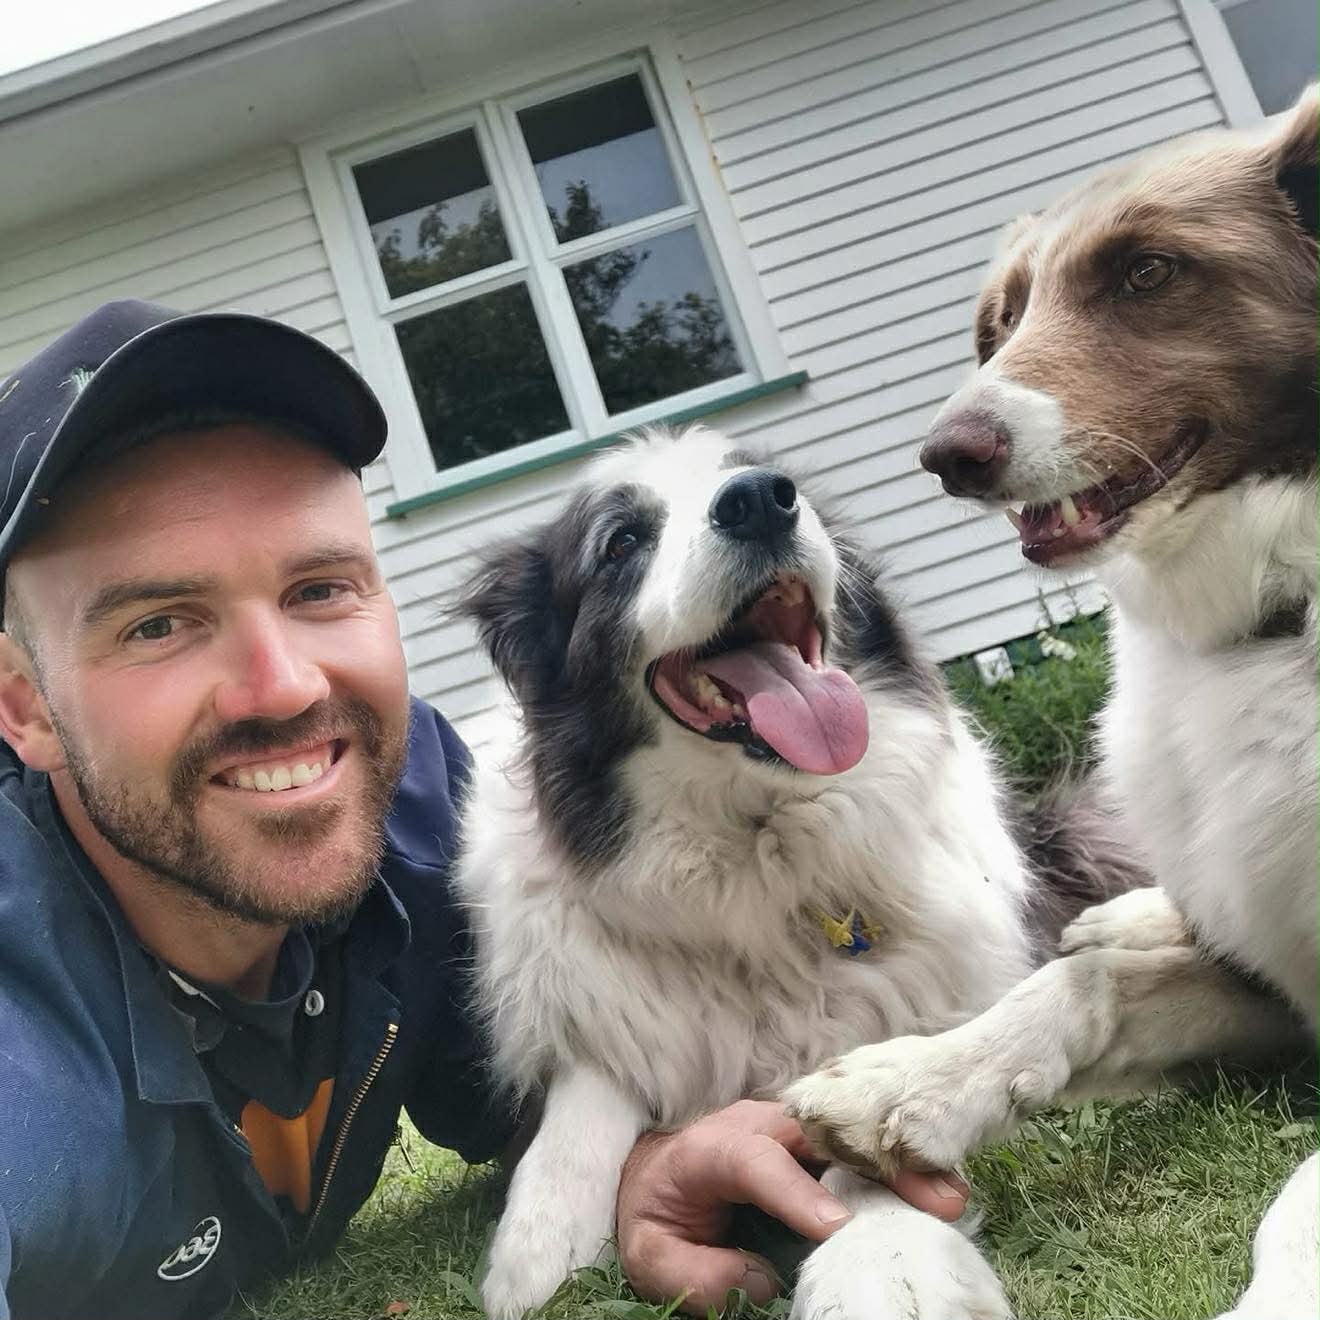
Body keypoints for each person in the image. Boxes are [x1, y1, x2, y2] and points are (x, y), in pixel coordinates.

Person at [0, 300, 966, 1320]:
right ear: (23, 706)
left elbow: (520, 1097)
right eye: (158, 623)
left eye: (321, 589)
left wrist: (644, 1172)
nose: (284, 687)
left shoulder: (414, 809)